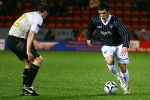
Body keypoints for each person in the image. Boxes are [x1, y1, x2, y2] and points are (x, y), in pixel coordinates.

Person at [86, 3, 130, 94]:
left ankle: (126, 86)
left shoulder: (115, 21)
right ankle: (119, 77)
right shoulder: (96, 20)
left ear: (109, 12)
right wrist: (89, 37)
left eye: (104, 13)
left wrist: (125, 45)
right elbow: (90, 27)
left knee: (123, 68)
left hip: (119, 44)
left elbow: (126, 32)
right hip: (106, 44)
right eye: (100, 13)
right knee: (109, 61)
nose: (102, 15)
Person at [7, 3, 49, 96]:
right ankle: (28, 87)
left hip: (10, 40)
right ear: (45, 12)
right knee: (38, 60)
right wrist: (28, 50)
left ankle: (25, 90)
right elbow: (31, 34)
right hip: (18, 40)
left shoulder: (28, 14)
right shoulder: (39, 18)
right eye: (47, 13)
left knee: (28, 62)